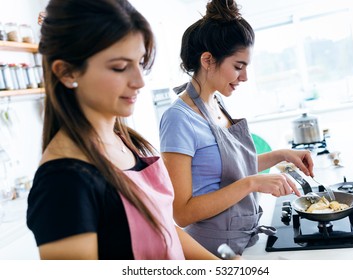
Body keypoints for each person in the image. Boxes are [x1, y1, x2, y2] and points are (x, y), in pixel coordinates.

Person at [26, 0, 219, 260]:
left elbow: (164, 230)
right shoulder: (63, 182)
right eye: (119, 67)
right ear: (67, 72)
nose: (139, 81)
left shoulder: (126, 141)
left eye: (140, 63)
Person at [159, 0, 314, 256]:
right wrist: (252, 184)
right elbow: (182, 213)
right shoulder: (179, 119)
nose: (244, 77)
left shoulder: (216, 103)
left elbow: (231, 170)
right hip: (211, 251)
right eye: (238, 67)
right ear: (208, 60)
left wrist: (283, 155)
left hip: (244, 241)